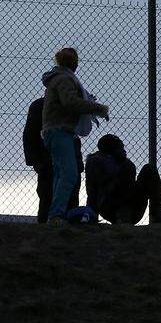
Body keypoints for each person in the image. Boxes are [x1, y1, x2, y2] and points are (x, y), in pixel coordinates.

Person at [41, 48, 109, 225]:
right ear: (75, 63)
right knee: (69, 174)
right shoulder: (65, 79)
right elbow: (70, 102)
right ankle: (56, 215)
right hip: (60, 130)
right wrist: (97, 107)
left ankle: (55, 214)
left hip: (52, 130)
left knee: (59, 173)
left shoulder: (56, 79)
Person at [85, 134, 161, 224]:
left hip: (132, 207)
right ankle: (122, 215)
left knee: (149, 169)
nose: (124, 151)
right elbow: (92, 192)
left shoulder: (124, 163)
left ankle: (158, 215)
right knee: (127, 168)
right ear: (113, 149)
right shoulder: (96, 161)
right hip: (110, 208)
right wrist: (91, 216)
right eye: (121, 148)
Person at [22, 96, 84, 223]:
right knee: (47, 196)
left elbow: (75, 136)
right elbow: (30, 135)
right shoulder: (40, 106)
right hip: (48, 161)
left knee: (70, 198)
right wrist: (37, 162)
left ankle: (66, 231)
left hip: (67, 160)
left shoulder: (71, 104)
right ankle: (47, 230)